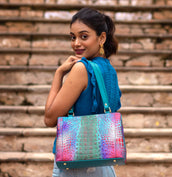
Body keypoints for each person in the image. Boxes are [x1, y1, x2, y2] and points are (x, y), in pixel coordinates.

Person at [44, 7, 122, 177]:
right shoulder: (110, 70)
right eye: (73, 37)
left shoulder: (81, 69)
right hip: (104, 164)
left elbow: (49, 119)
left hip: (76, 164)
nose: (76, 43)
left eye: (84, 36)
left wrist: (59, 74)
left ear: (101, 38)